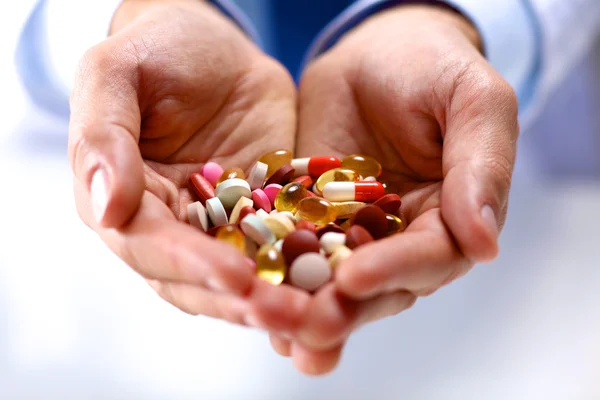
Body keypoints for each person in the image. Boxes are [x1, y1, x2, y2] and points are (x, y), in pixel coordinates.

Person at [13, 0, 600, 377]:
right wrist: (142, 11)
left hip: (529, 275)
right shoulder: (245, 204)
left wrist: (454, 17)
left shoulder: (316, 204)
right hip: (93, 328)